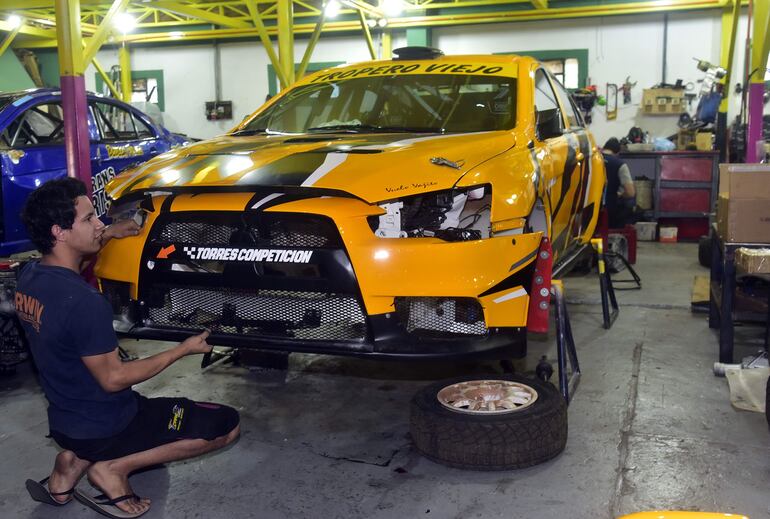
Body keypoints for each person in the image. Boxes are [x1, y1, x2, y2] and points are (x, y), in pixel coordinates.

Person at [16, 177, 240, 519]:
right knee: (224, 424)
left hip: (66, 420)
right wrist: (183, 350)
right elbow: (113, 378)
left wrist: (109, 234)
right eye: (90, 219)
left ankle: (71, 464)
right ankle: (113, 468)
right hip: (109, 424)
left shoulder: (30, 277)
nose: (100, 224)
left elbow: (72, 253)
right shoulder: (84, 302)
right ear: (59, 232)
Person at [602, 137, 636, 228]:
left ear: (604, 148)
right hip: (610, 210)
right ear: (617, 152)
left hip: (588, 209)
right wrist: (620, 195)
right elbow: (630, 192)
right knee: (631, 203)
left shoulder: (591, 161)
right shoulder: (619, 164)